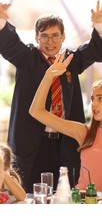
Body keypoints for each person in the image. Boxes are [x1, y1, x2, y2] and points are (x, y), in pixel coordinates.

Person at [0, 1, 102, 193]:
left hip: (65, 142)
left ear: (63, 37)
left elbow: (96, 48)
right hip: (31, 142)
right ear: (36, 38)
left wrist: (99, 25)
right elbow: (8, 43)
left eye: (55, 36)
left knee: (65, 192)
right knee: (28, 192)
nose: (50, 41)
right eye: (44, 36)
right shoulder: (26, 57)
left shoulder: (71, 60)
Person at [29, 53, 102, 191]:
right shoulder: (84, 133)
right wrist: (49, 76)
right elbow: (36, 111)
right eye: (93, 99)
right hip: (82, 202)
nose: (94, 104)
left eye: (100, 98)